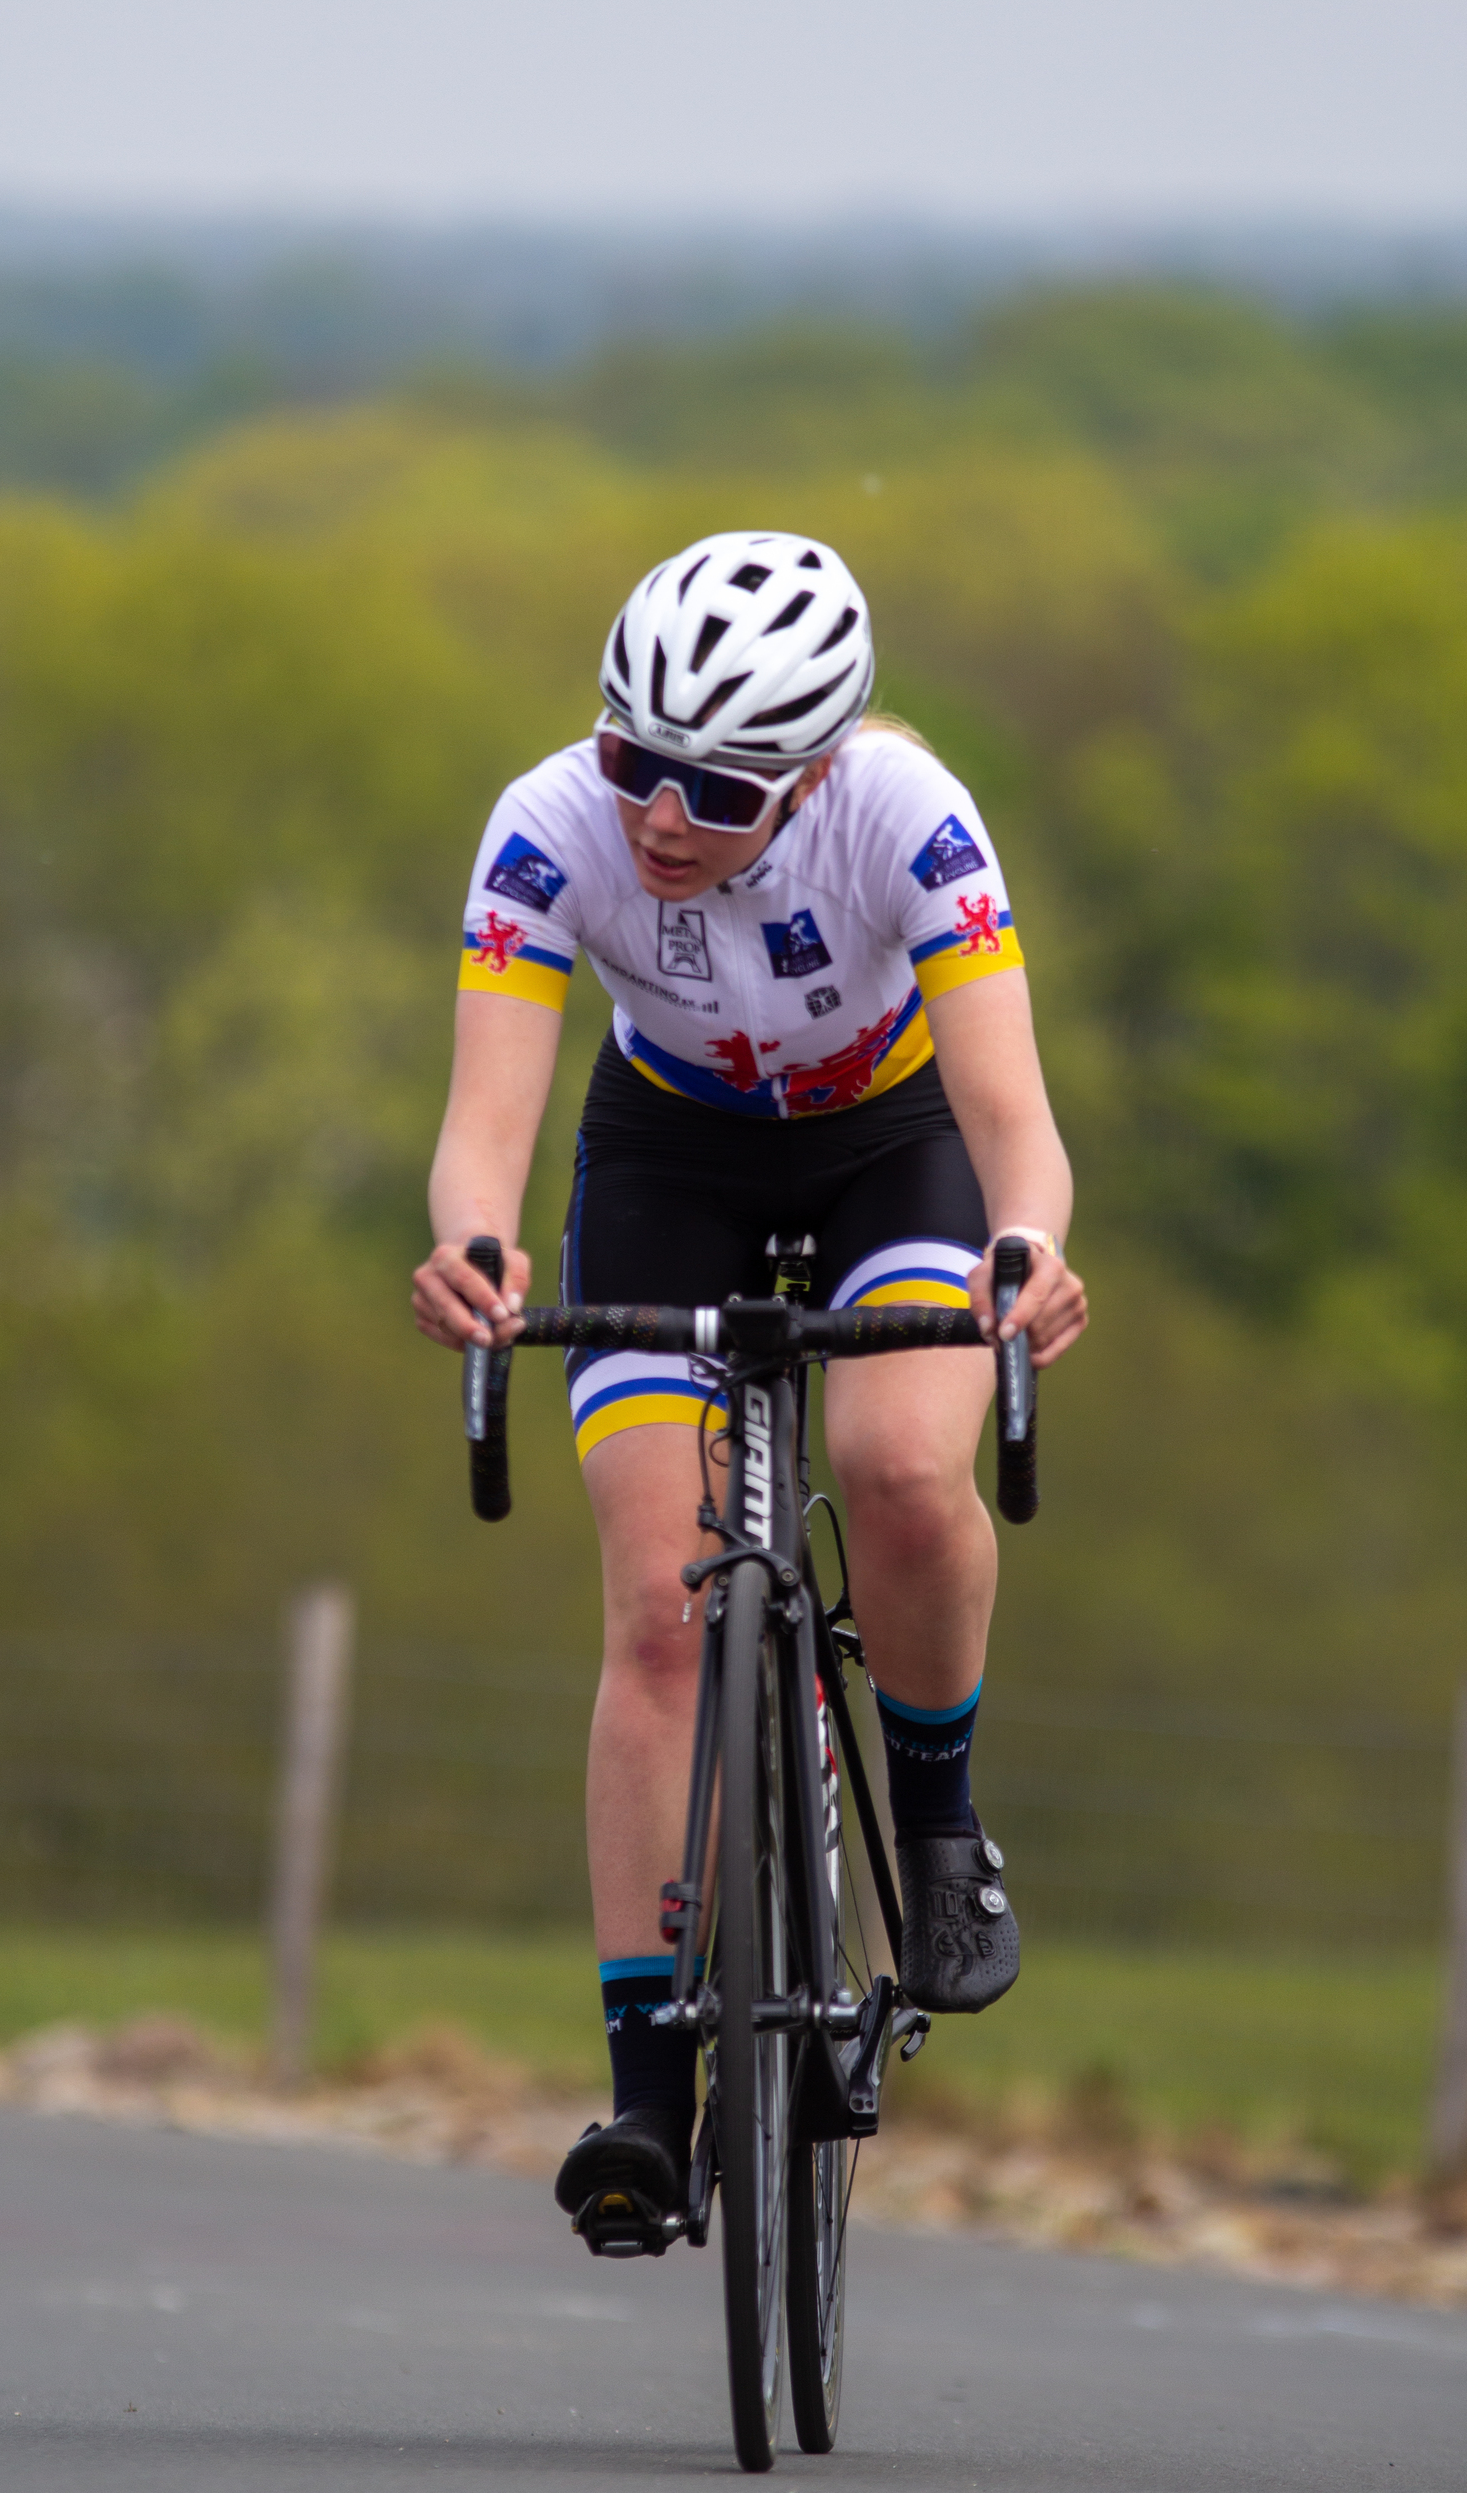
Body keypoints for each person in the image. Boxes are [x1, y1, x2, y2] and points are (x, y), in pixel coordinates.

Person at [413, 530, 1088, 2230]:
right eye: (633, 758)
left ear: (812, 775)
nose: (655, 816)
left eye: (713, 793)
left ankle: (936, 1826)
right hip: (668, 1160)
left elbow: (1014, 1117)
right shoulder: (546, 823)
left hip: (894, 1148)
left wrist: (1026, 1250)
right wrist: (477, 1250)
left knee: (906, 1467)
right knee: (658, 1605)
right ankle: (647, 2093)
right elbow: (487, 1128)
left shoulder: (908, 817)